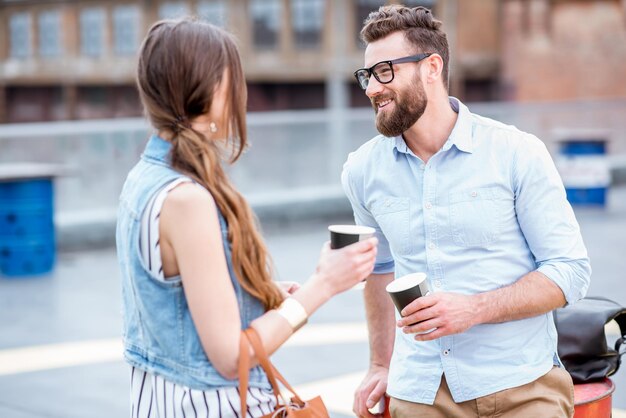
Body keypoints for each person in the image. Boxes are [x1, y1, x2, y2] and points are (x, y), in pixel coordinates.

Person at [116, 18, 378, 418]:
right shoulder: (187, 200)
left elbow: (168, 299)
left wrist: (253, 291)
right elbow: (230, 356)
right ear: (213, 89)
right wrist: (322, 286)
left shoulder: (143, 178)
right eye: (234, 81)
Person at [343, 5, 591, 418]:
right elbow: (379, 268)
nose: (371, 89)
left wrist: (474, 309)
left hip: (522, 386)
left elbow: (569, 270)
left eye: (385, 71)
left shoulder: (515, 152)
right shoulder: (361, 170)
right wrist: (380, 364)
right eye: (368, 75)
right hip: (420, 392)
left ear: (431, 67)